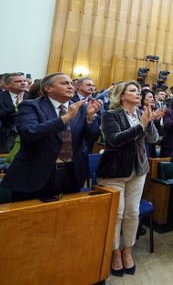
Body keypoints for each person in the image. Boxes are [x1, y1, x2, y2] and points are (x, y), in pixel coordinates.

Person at [2, 72, 102, 201]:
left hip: (71, 174)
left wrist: (90, 117)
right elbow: (29, 133)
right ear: (48, 88)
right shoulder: (31, 106)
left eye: (71, 83)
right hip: (35, 173)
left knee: (66, 216)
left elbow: (92, 137)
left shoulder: (81, 108)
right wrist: (64, 118)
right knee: (30, 218)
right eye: (64, 83)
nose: (71, 86)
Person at [96, 80, 158, 277]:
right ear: (121, 96)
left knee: (132, 213)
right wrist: (141, 125)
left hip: (138, 170)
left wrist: (149, 122)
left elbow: (153, 139)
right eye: (133, 90)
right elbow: (114, 139)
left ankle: (127, 251)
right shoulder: (110, 114)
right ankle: (115, 254)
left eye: (139, 91)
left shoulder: (142, 114)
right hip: (114, 171)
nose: (138, 93)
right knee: (117, 215)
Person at [0, 73, 29, 153]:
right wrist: (15, 107)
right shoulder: (1, 97)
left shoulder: (32, 97)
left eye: (24, 81)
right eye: (18, 81)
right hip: (6, 135)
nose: (23, 83)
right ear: (7, 84)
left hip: (26, 135)